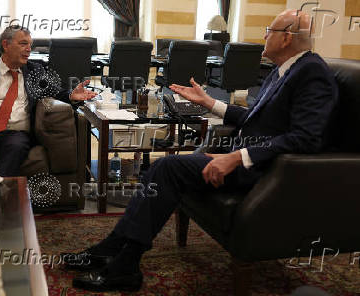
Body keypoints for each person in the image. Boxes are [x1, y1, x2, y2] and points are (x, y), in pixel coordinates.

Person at [64, 9, 338, 292]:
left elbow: (306, 138)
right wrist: (209, 103)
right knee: (163, 170)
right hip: (245, 159)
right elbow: (256, 120)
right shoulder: (284, 70)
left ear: (286, 38)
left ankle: (124, 265)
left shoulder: (311, 72)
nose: (264, 34)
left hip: (268, 172)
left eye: (270, 29)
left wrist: (238, 156)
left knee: (165, 168)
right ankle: (112, 250)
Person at [0, 25, 96, 177]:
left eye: (30, 44)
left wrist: (71, 96)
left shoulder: (35, 71)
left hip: (17, 133)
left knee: (16, 147)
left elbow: (55, 91)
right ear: (6, 45)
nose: (29, 49)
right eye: (23, 44)